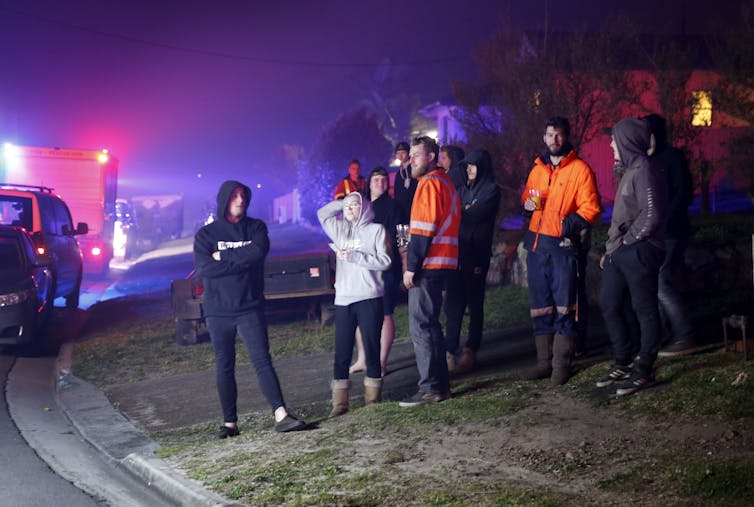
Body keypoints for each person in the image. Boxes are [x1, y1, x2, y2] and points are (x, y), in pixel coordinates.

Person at [194, 180, 306, 439]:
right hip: (218, 310)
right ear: (224, 199)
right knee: (224, 365)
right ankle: (229, 424)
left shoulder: (256, 227)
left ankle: (281, 414)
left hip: (249, 307)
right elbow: (204, 269)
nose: (240, 200)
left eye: (243, 196)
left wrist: (222, 257)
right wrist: (241, 260)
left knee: (262, 360)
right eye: (234, 196)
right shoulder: (206, 235)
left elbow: (258, 254)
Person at [520, 117, 601, 385]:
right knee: (541, 306)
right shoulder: (538, 168)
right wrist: (528, 206)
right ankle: (543, 363)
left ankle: (561, 364)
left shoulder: (580, 170)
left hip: (563, 246)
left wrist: (568, 225)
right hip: (537, 244)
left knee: (566, 306)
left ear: (566, 137)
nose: (554, 140)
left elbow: (591, 208)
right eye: (549, 134)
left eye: (559, 135)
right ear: (544, 137)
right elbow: (528, 197)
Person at [598, 117, 666, 396]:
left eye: (614, 138)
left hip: (640, 249)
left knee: (644, 308)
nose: (611, 144)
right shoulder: (629, 170)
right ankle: (623, 361)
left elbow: (652, 214)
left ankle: (645, 369)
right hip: (620, 251)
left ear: (626, 141)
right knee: (610, 304)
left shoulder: (645, 170)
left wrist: (627, 241)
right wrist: (611, 249)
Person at [399, 136, 461, 408]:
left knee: (421, 325)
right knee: (432, 325)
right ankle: (440, 386)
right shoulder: (446, 183)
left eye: (416, 155)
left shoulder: (428, 184)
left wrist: (411, 267)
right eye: (410, 155)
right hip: (444, 262)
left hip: (429, 264)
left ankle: (429, 389)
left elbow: (422, 231)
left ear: (431, 157)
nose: (410, 160)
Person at [317, 191, 392, 416]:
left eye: (355, 205)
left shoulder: (376, 230)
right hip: (344, 299)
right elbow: (322, 213)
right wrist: (343, 202)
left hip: (370, 296)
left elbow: (386, 261)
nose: (350, 209)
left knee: (371, 348)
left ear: (365, 207)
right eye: (347, 207)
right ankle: (340, 404)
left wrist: (355, 256)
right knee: (342, 350)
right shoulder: (340, 230)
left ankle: (373, 399)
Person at [643, 114, 697, 357]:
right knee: (654, 284)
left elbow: (683, 194)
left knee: (662, 282)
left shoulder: (672, 158)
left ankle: (685, 335)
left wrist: (664, 220)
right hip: (654, 234)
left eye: (649, 133)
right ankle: (665, 337)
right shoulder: (646, 161)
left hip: (672, 231)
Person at [444, 149, 501, 374]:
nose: (468, 169)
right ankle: (450, 349)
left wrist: (463, 212)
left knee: (474, 303)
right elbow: (455, 213)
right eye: (466, 166)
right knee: (452, 304)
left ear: (482, 167)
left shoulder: (491, 190)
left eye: (473, 166)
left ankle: (470, 349)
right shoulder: (461, 190)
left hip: (476, 254)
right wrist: (463, 211)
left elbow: (474, 215)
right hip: (456, 254)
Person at [348, 167, 402, 376]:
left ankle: (380, 362)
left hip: (387, 266)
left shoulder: (393, 206)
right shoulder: (363, 206)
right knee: (362, 313)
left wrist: (403, 260)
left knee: (385, 313)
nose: (380, 183)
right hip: (363, 266)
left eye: (383, 180)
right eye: (376, 180)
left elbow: (401, 235)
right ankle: (363, 359)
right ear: (369, 183)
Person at [392, 141, 418, 224]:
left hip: (414, 208)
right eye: (398, 153)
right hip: (401, 211)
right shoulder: (399, 173)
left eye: (403, 152)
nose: (400, 155)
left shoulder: (415, 170)